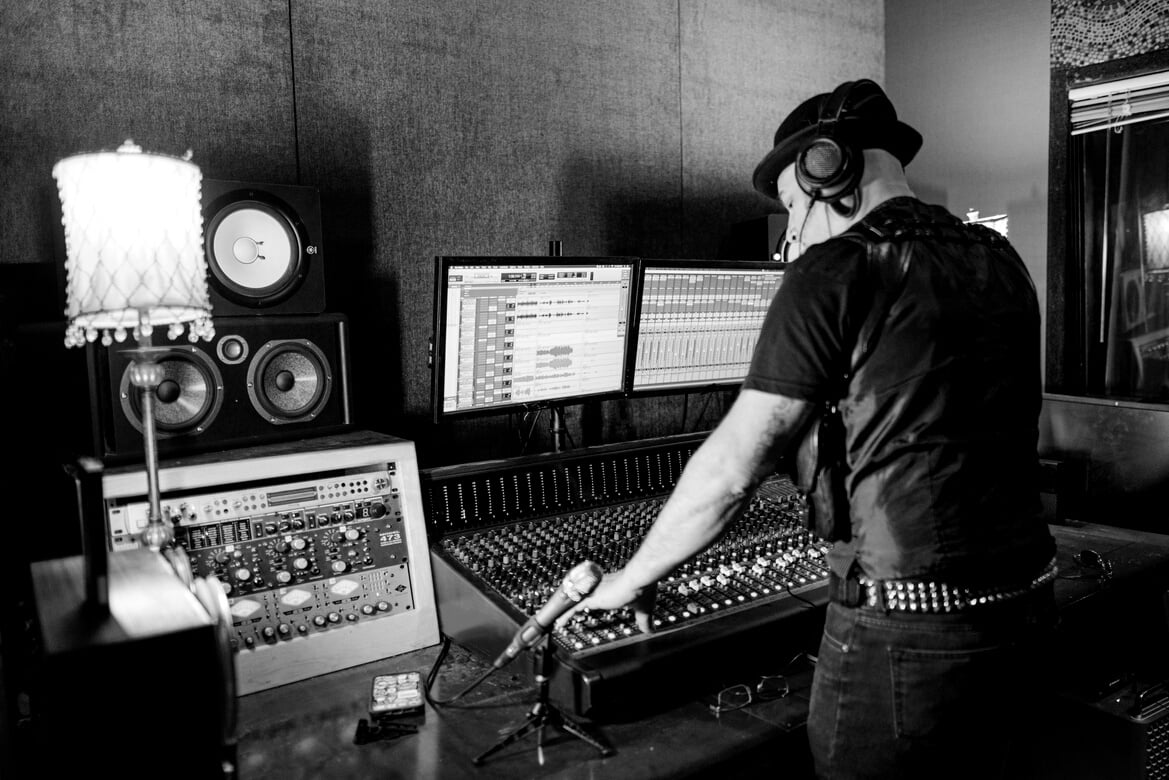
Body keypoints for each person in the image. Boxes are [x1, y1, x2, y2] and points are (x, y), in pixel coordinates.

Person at [558, 79, 1058, 779]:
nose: (789, 233)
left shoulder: (835, 269)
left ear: (829, 170)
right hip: (1025, 608)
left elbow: (734, 468)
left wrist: (634, 577)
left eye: (792, 204)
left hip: (906, 630)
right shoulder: (996, 258)